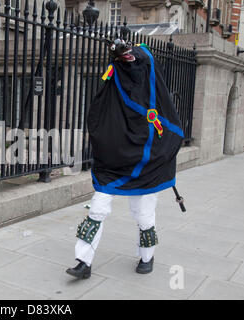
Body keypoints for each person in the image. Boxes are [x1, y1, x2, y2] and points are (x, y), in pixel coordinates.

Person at [66, 38, 184, 278]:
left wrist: (129, 52)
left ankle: (147, 256)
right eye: (121, 62)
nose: (126, 66)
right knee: (97, 208)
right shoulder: (115, 87)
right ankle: (83, 262)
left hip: (148, 163)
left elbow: (139, 58)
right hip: (115, 162)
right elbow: (98, 120)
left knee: (143, 214)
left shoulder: (146, 68)